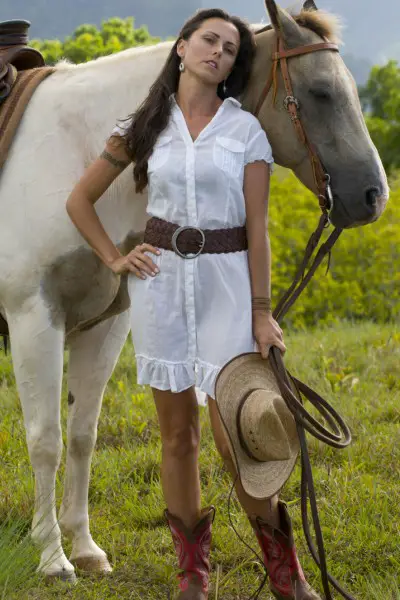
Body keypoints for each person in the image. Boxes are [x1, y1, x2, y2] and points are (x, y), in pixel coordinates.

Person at [66, 8, 320, 600]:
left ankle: (286, 572)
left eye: (230, 49)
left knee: (237, 434)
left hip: (228, 290)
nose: (218, 53)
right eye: (209, 40)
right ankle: (193, 573)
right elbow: (81, 200)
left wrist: (261, 311)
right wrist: (114, 258)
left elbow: (258, 230)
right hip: (159, 289)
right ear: (181, 48)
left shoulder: (245, 132)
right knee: (176, 435)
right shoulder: (145, 125)